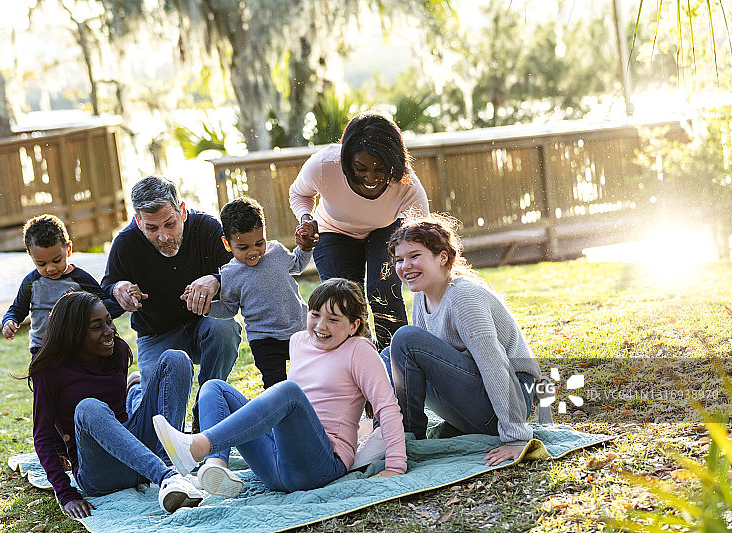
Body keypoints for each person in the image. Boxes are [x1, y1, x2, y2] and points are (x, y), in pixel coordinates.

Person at [152, 278, 406, 498]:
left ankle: (198, 446)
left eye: (333, 319)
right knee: (214, 388)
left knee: (289, 392)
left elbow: (387, 407)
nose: (321, 326)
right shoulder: (298, 341)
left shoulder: (359, 350)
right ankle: (215, 466)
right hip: (275, 466)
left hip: (321, 465)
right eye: (315, 314)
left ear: (354, 325)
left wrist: (395, 467)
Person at [24, 291, 204, 517]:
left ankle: (169, 463)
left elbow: (121, 412)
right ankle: (167, 477)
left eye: (109, 321)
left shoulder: (117, 351)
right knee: (88, 407)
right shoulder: (48, 372)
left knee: (176, 359)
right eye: (97, 326)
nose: (109, 330)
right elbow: (42, 437)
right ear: (74, 333)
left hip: (139, 450)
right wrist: (66, 493)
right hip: (101, 473)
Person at [384, 215, 543, 466]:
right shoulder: (422, 296)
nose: (405, 266)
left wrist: (516, 436)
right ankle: (398, 438)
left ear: (442, 257)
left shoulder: (463, 297)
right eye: (399, 260)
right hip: (474, 397)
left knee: (405, 339)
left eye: (415, 256)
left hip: (508, 400)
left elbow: (494, 365)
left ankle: (410, 438)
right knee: (389, 354)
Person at [101, 176, 242, 430]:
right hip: (156, 335)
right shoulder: (125, 243)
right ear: (138, 222)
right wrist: (117, 289)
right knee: (157, 427)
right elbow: (105, 293)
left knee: (225, 328)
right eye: (152, 228)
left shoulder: (208, 228)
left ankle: (206, 411)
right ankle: (135, 391)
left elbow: (241, 273)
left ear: (182, 211)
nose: (164, 236)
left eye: (170, 224)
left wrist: (217, 280)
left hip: (205, 325)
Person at [289, 111, 429, 351]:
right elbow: (299, 193)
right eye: (360, 168)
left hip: (385, 230)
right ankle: (357, 358)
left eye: (380, 169)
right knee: (343, 300)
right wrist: (306, 219)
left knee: (383, 291)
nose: (370, 177)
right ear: (346, 161)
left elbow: (421, 232)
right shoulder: (323, 166)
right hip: (333, 231)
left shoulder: (407, 184)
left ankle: (395, 358)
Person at [203, 196, 317, 389]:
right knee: (275, 387)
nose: (253, 251)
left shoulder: (276, 251)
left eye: (259, 243)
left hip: (297, 330)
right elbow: (230, 309)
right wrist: (208, 309)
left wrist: (305, 248)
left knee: (309, 380)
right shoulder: (229, 273)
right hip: (264, 340)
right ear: (227, 244)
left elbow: (297, 264)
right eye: (243, 247)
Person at [2, 214, 123, 356]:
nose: (50, 268)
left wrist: (124, 302)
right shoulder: (31, 282)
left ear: (68, 249)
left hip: (76, 347)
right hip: (41, 349)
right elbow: (17, 309)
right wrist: (10, 320)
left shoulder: (80, 279)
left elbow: (103, 307)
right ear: (31, 256)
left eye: (56, 260)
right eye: (41, 264)